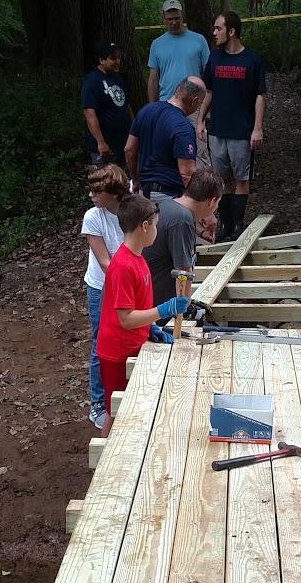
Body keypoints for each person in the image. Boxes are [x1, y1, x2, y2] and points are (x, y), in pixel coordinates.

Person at [95, 193, 189, 438]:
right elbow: (125, 319)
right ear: (144, 226)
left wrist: (150, 328)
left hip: (133, 344)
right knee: (115, 411)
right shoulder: (123, 266)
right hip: (117, 353)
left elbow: (136, 308)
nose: (157, 229)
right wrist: (163, 311)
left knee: (129, 408)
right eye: (156, 225)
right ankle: (103, 469)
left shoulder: (138, 259)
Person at [198, 10, 267, 242]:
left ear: (232, 31)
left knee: (241, 179)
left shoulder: (253, 59)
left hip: (241, 131)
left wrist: (258, 127)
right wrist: (200, 120)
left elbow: (260, 95)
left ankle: (238, 223)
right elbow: (208, 91)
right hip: (218, 129)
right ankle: (226, 223)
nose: (214, 33)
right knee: (222, 179)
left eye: (218, 28)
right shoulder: (215, 59)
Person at [80, 162, 129, 429]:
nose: (91, 196)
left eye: (96, 191)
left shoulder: (132, 209)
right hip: (102, 287)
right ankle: (98, 403)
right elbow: (105, 262)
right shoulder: (93, 217)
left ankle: (125, 393)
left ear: (113, 192)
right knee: (101, 343)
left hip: (128, 284)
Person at [143, 167, 224, 306]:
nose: (215, 208)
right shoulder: (182, 219)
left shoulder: (169, 205)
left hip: (151, 298)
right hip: (156, 305)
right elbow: (183, 272)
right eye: (218, 203)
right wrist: (185, 307)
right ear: (212, 201)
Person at [125, 75, 206, 196]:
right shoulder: (183, 127)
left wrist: (136, 179)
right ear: (194, 101)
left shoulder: (146, 111)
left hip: (144, 194)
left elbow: (129, 149)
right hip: (169, 195)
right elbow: (186, 173)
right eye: (199, 103)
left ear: (177, 90)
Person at [81, 41, 133, 167]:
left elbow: (125, 105)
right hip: (105, 144)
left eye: (119, 58)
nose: (118, 61)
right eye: (113, 58)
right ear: (101, 60)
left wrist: (134, 128)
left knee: (123, 179)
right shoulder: (92, 81)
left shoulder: (118, 77)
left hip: (123, 141)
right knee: (106, 181)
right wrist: (101, 142)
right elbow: (89, 113)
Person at [147, 0, 210, 102]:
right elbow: (153, 79)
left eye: (177, 18)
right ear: (164, 19)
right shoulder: (157, 44)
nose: (174, 22)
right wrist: (152, 107)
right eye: (170, 19)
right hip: (166, 102)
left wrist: (206, 102)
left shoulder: (199, 40)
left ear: (182, 17)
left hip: (193, 102)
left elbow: (208, 72)